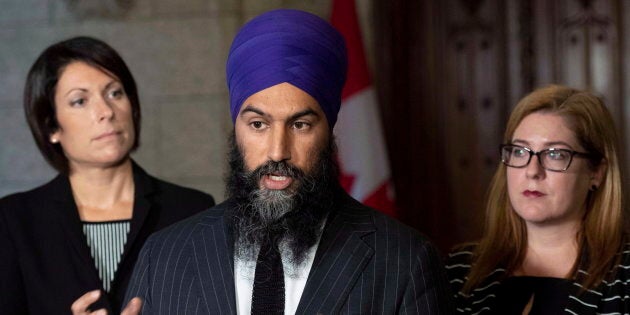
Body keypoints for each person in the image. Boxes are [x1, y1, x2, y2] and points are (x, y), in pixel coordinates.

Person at [123, 9, 453, 314]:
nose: (278, 151)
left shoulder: (405, 261)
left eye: (300, 125)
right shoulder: (164, 256)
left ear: (330, 129)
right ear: (235, 128)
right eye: (258, 124)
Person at [0, 36, 215, 314]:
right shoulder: (15, 221)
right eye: (80, 101)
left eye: (115, 93)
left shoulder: (193, 211)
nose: (106, 111)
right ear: (51, 127)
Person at [445, 85, 630, 313]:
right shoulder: (460, 268)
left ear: (596, 173)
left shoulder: (625, 274)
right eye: (520, 151)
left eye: (555, 154)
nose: (533, 171)